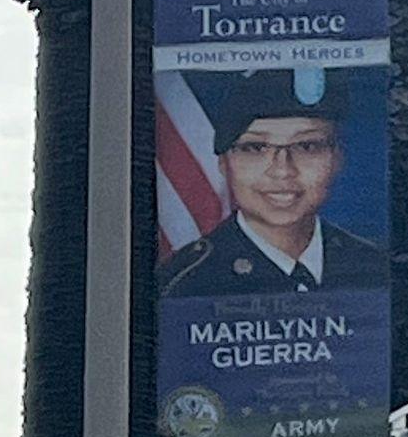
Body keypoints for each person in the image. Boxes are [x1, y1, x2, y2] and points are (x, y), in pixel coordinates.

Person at [159, 68, 387, 298]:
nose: (282, 170)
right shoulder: (181, 284)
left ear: (338, 158)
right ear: (223, 163)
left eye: (306, 146)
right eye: (255, 148)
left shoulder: (377, 268)